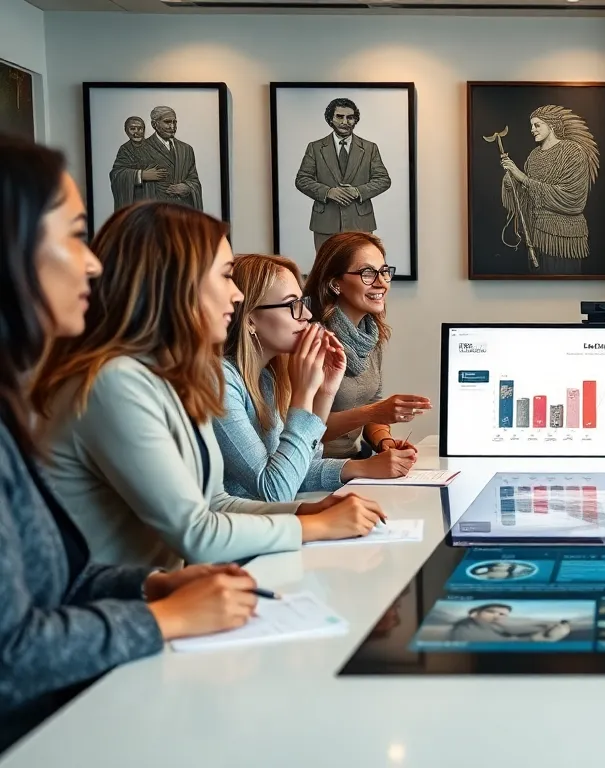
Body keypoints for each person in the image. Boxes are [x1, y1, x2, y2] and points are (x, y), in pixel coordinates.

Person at [0, 136, 271, 751]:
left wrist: (146, 585)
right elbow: (10, 656)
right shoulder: (115, 382)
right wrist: (161, 615)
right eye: (72, 234)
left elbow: (54, 587)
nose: (92, 263)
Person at [31, 202, 386, 569]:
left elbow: (216, 503)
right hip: (117, 607)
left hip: (160, 592)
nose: (235, 294)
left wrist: (305, 510)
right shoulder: (117, 382)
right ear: (173, 284)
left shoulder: (175, 378)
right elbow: (198, 534)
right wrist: (313, 525)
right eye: (223, 276)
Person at [215, 254, 414, 502]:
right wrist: (303, 394)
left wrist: (326, 393)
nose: (307, 315)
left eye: (302, 302)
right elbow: (274, 490)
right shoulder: (221, 381)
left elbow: (295, 467)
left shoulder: (265, 378)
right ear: (249, 320)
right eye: (292, 305)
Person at [302, 231, 431, 460]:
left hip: (355, 461)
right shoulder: (312, 341)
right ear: (335, 284)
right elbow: (304, 427)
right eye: (367, 273)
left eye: (383, 272)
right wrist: (374, 412)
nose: (381, 283)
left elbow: (371, 402)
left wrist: (384, 440)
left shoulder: (371, 335)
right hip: (315, 468)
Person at [499, 105, 599, 275]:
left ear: (551, 125)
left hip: (564, 239)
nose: (532, 130)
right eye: (531, 126)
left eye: (537, 125)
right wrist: (512, 182)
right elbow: (527, 193)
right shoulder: (534, 155)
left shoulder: (573, 151)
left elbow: (572, 198)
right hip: (535, 236)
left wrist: (522, 177)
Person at [295, 98, 391, 254]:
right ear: (330, 119)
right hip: (325, 223)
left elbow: (383, 180)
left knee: (360, 268)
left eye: (350, 117)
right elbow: (302, 179)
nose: (345, 121)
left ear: (355, 120)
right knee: (327, 270)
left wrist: (358, 191)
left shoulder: (369, 148)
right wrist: (328, 192)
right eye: (339, 116)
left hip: (360, 223)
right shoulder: (315, 147)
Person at [137, 106, 202, 209]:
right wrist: (142, 175)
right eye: (167, 122)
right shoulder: (141, 148)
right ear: (154, 124)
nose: (172, 127)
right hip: (153, 213)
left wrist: (188, 187)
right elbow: (118, 174)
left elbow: (193, 179)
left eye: (174, 122)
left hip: (181, 212)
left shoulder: (186, 149)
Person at [108, 116, 163, 211]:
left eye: (140, 129)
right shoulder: (124, 150)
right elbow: (116, 174)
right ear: (126, 131)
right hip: (136, 201)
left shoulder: (153, 147)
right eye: (132, 129)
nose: (136, 132)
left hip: (156, 199)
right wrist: (141, 175)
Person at [448, 603, 571, 642]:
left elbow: (509, 632)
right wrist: (538, 638)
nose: (497, 616)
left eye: (502, 614)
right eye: (491, 612)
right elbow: (500, 643)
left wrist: (543, 627)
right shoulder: (465, 629)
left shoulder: (487, 625)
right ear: (474, 613)